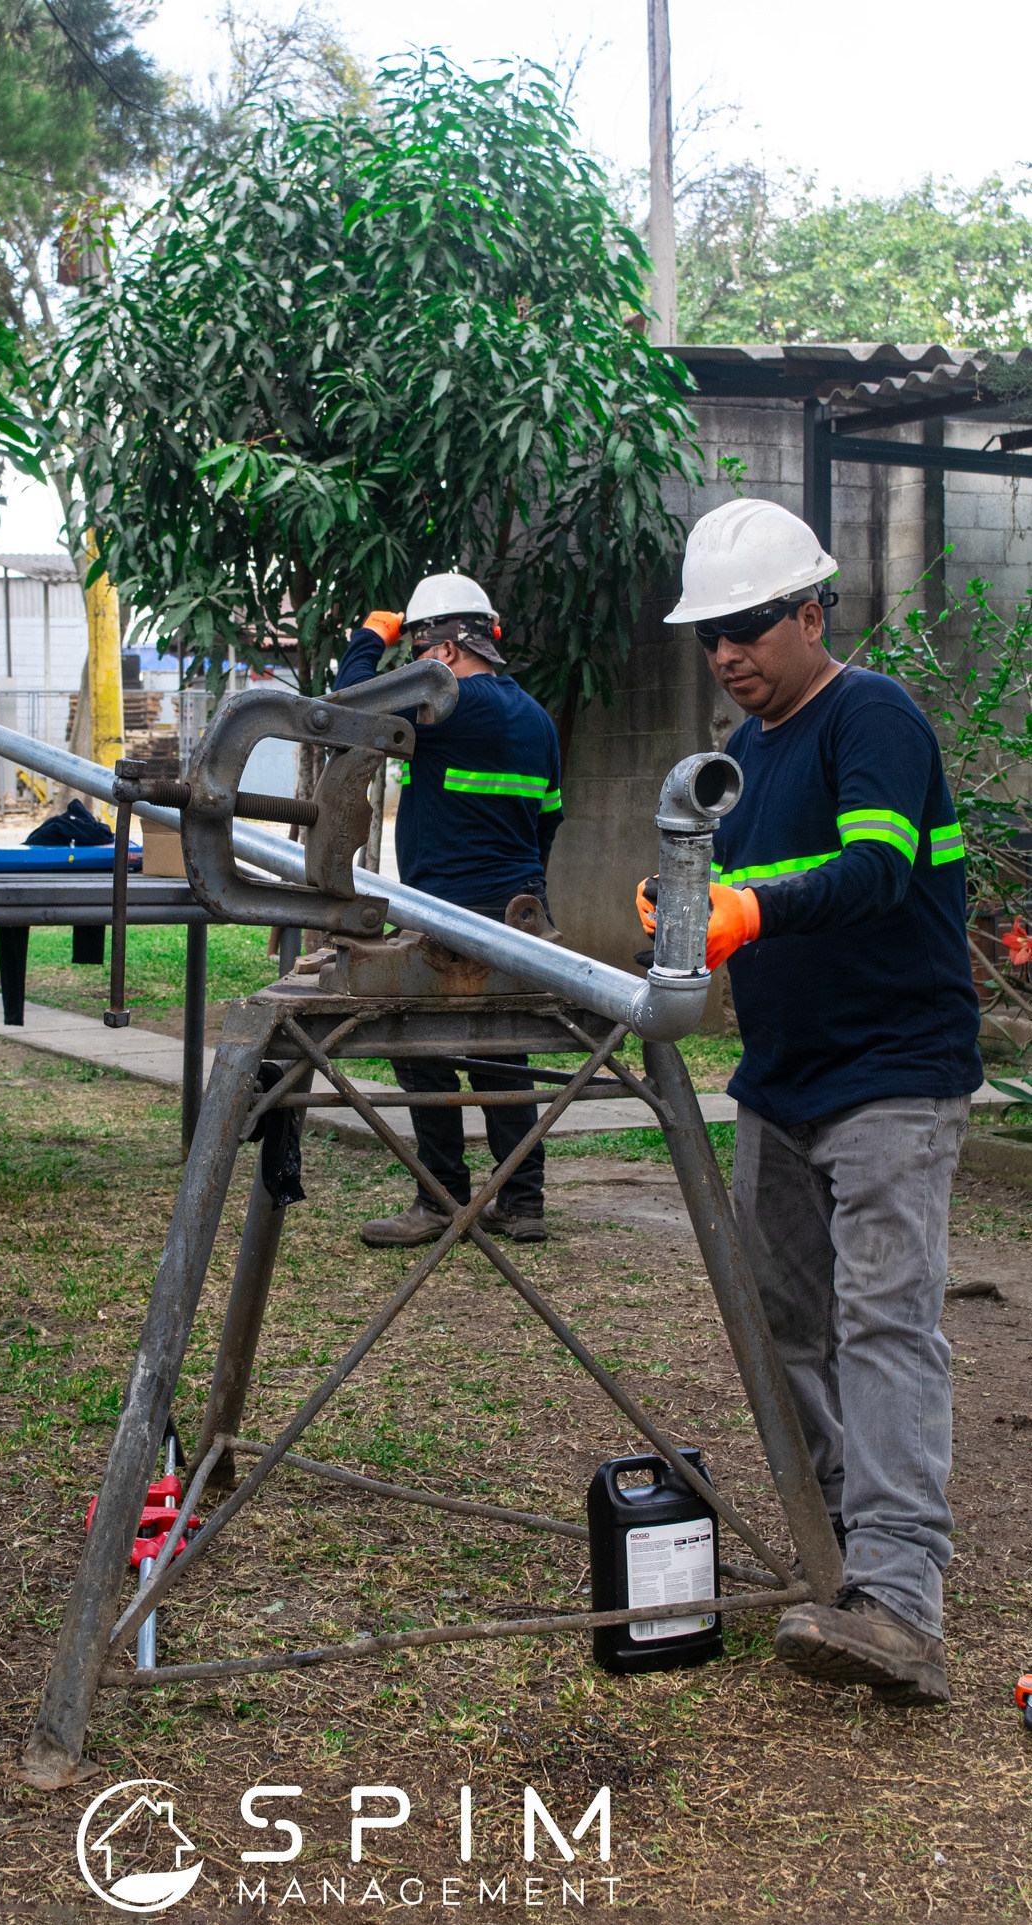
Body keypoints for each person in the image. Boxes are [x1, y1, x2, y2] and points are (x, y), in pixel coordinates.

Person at [645, 498, 982, 1705]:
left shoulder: (870, 714)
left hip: (892, 1073)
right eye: (710, 637)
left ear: (810, 612)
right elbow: (764, 883)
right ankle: (845, 1549)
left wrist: (750, 906)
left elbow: (880, 865)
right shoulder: (757, 746)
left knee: (884, 1321)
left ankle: (902, 1601)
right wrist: (691, 901)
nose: (729, 654)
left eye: (749, 627)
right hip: (784, 1080)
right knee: (787, 1322)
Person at [344, 574, 564, 1248]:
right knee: (503, 1054)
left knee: (421, 1047)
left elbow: (347, 708)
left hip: (444, 907)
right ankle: (521, 1203)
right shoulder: (535, 717)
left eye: (412, 649)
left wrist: (366, 639)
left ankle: (439, 1199)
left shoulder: (444, 707)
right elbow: (549, 820)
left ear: (438, 651)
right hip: (518, 906)